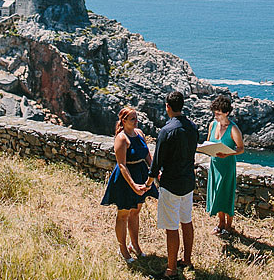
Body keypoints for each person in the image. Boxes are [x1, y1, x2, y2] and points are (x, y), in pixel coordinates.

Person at [146, 91, 198, 278]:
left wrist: (151, 180)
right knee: (186, 220)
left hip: (171, 183)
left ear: (168, 107)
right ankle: (187, 259)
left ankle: (171, 270)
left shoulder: (166, 131)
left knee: (171, 226)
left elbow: (157, 160)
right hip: (187, 182)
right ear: (182, 106)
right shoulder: (192, 127)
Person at [100, 106, 158, 263]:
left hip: (140, 174)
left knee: (136, 211)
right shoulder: (121, 138)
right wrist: (133, 185)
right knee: (123, 213)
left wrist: (153, 172)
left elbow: (146, 153)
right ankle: (123, 249)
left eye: (136, 117)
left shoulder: (139, 133)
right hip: (126, 179)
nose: (136, 121)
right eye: (132, 118)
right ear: (124, 121)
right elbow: (122, 165)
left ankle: (135, 245)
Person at [205, 94, 244, 236]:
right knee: (217, 193)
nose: (215, 116)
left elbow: (241, 149)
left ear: (226, 113)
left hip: (227, 166)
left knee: (226, 194)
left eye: (218, 114)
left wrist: (228, 154)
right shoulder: (212, 125)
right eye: (214, 113)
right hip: (215, 165)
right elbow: (209, 141)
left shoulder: (233, 129)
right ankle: (220, 222)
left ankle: (228, 226)